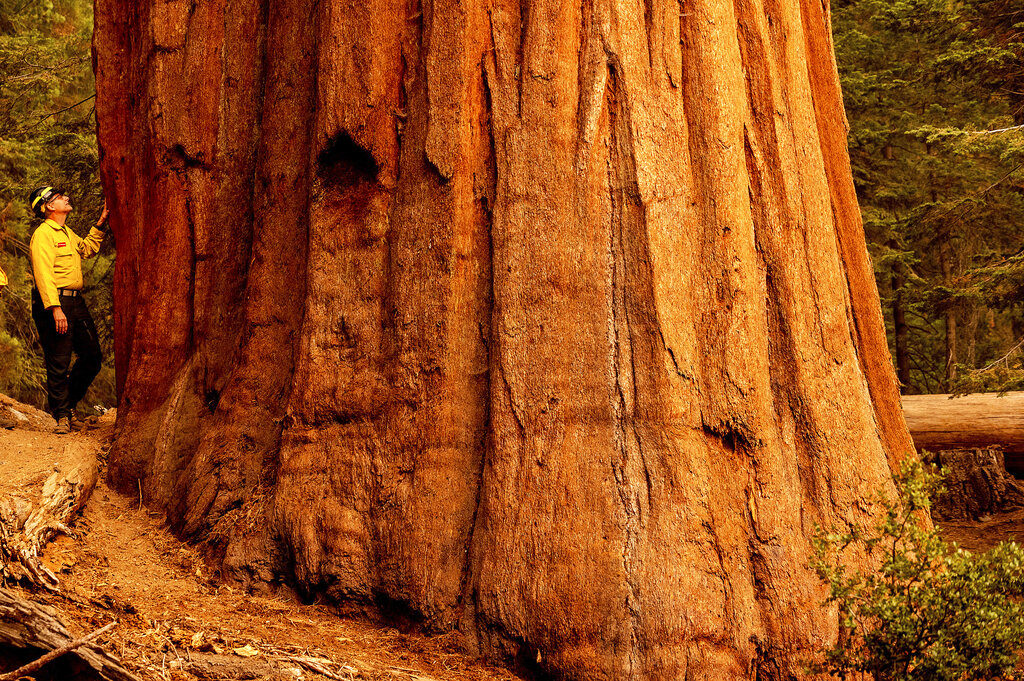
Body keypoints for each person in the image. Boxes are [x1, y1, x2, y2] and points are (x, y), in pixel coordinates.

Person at [28, 186, 109, 434]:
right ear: (49, 206)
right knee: (59, 360)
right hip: (54, 302)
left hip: (75, 301)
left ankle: (68, 405)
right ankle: (62, 416)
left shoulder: (65, 231)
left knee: (92, 356)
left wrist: (102, 221)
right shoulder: (43, 234)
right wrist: (55, 308)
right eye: (59, 197)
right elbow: (43, 274)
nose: (66, 198)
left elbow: (86, 249)